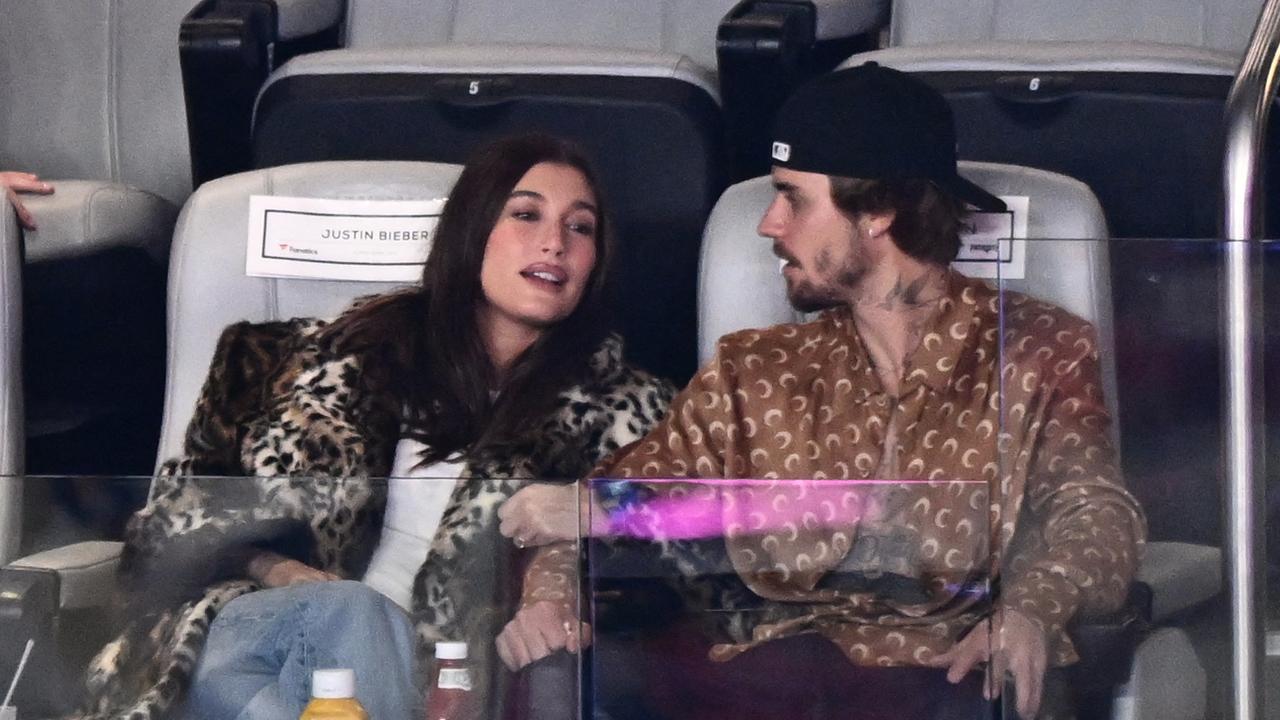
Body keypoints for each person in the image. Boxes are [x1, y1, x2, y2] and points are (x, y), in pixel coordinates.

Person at [496, 63, 1147, 720]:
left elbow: (1097, 517)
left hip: (940, 678)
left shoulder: (1035, 351)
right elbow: (597, 511)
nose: (769, 223)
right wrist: (550, 598)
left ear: (879, 212)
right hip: (761, 682)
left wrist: (1032, 608)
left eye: (794, 198)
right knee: (578, 674)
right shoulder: (755, 368)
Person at [71, 134, 675, 720]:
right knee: (335, 618)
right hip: (258, 638)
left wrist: (557, 583)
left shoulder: (623, 411)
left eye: (580, 226)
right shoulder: (316, 363)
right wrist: (273, 569)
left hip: (444, 685)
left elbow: (672, 541)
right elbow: (166, 532)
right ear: (472, 230)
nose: (554, 244)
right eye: (525, 215)